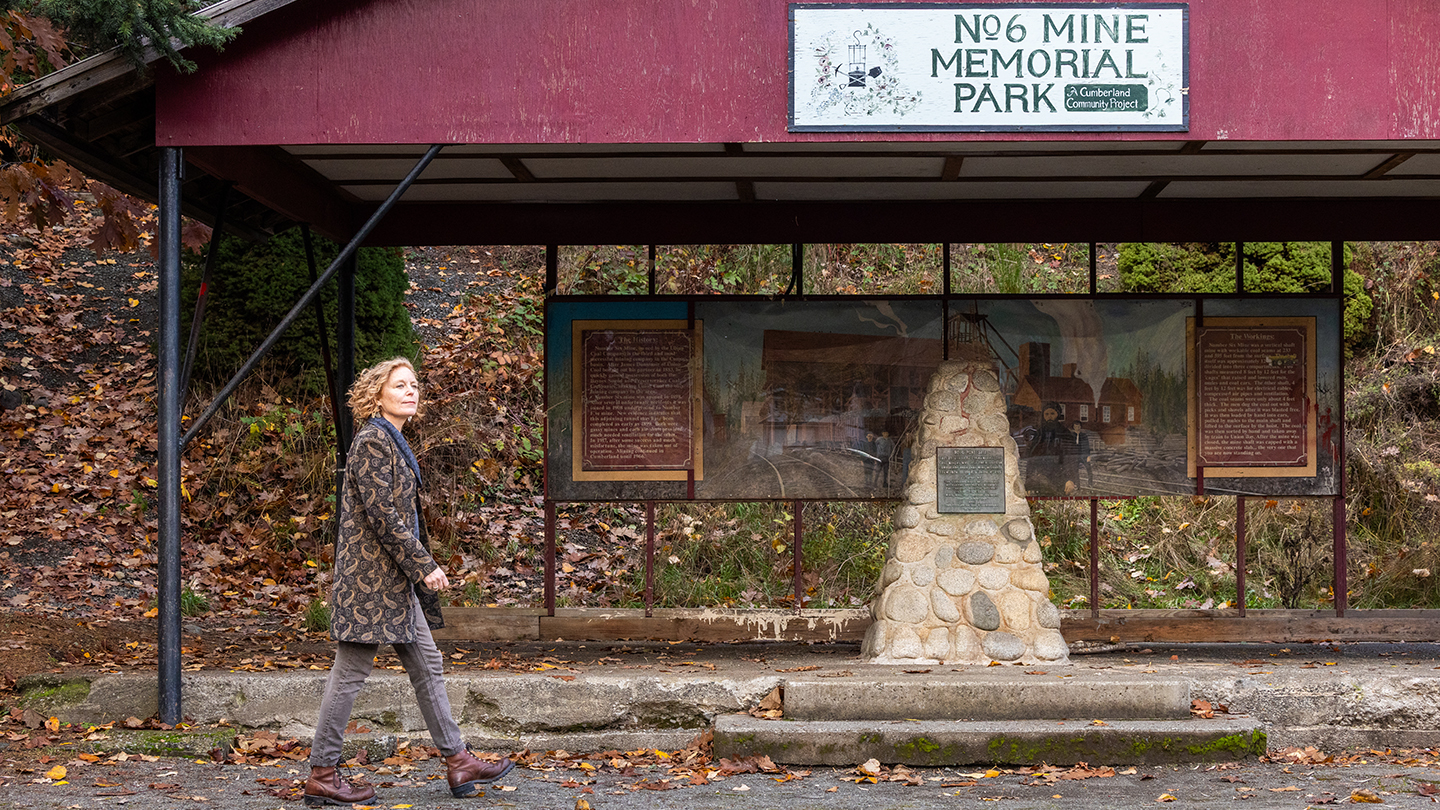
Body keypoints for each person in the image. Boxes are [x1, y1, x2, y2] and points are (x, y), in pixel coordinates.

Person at [304, 358, 513, 806]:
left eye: (414, 384)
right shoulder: (373, 441)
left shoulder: (394, 441)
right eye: (400, 385)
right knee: (350, 673)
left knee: (427, 666)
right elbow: (383, 516)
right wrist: (424, 564)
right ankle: (322, 771)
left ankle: (459, 762)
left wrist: (414, 568)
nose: (411, 391)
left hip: (394, 585)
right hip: (370, 587)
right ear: (376, 395)